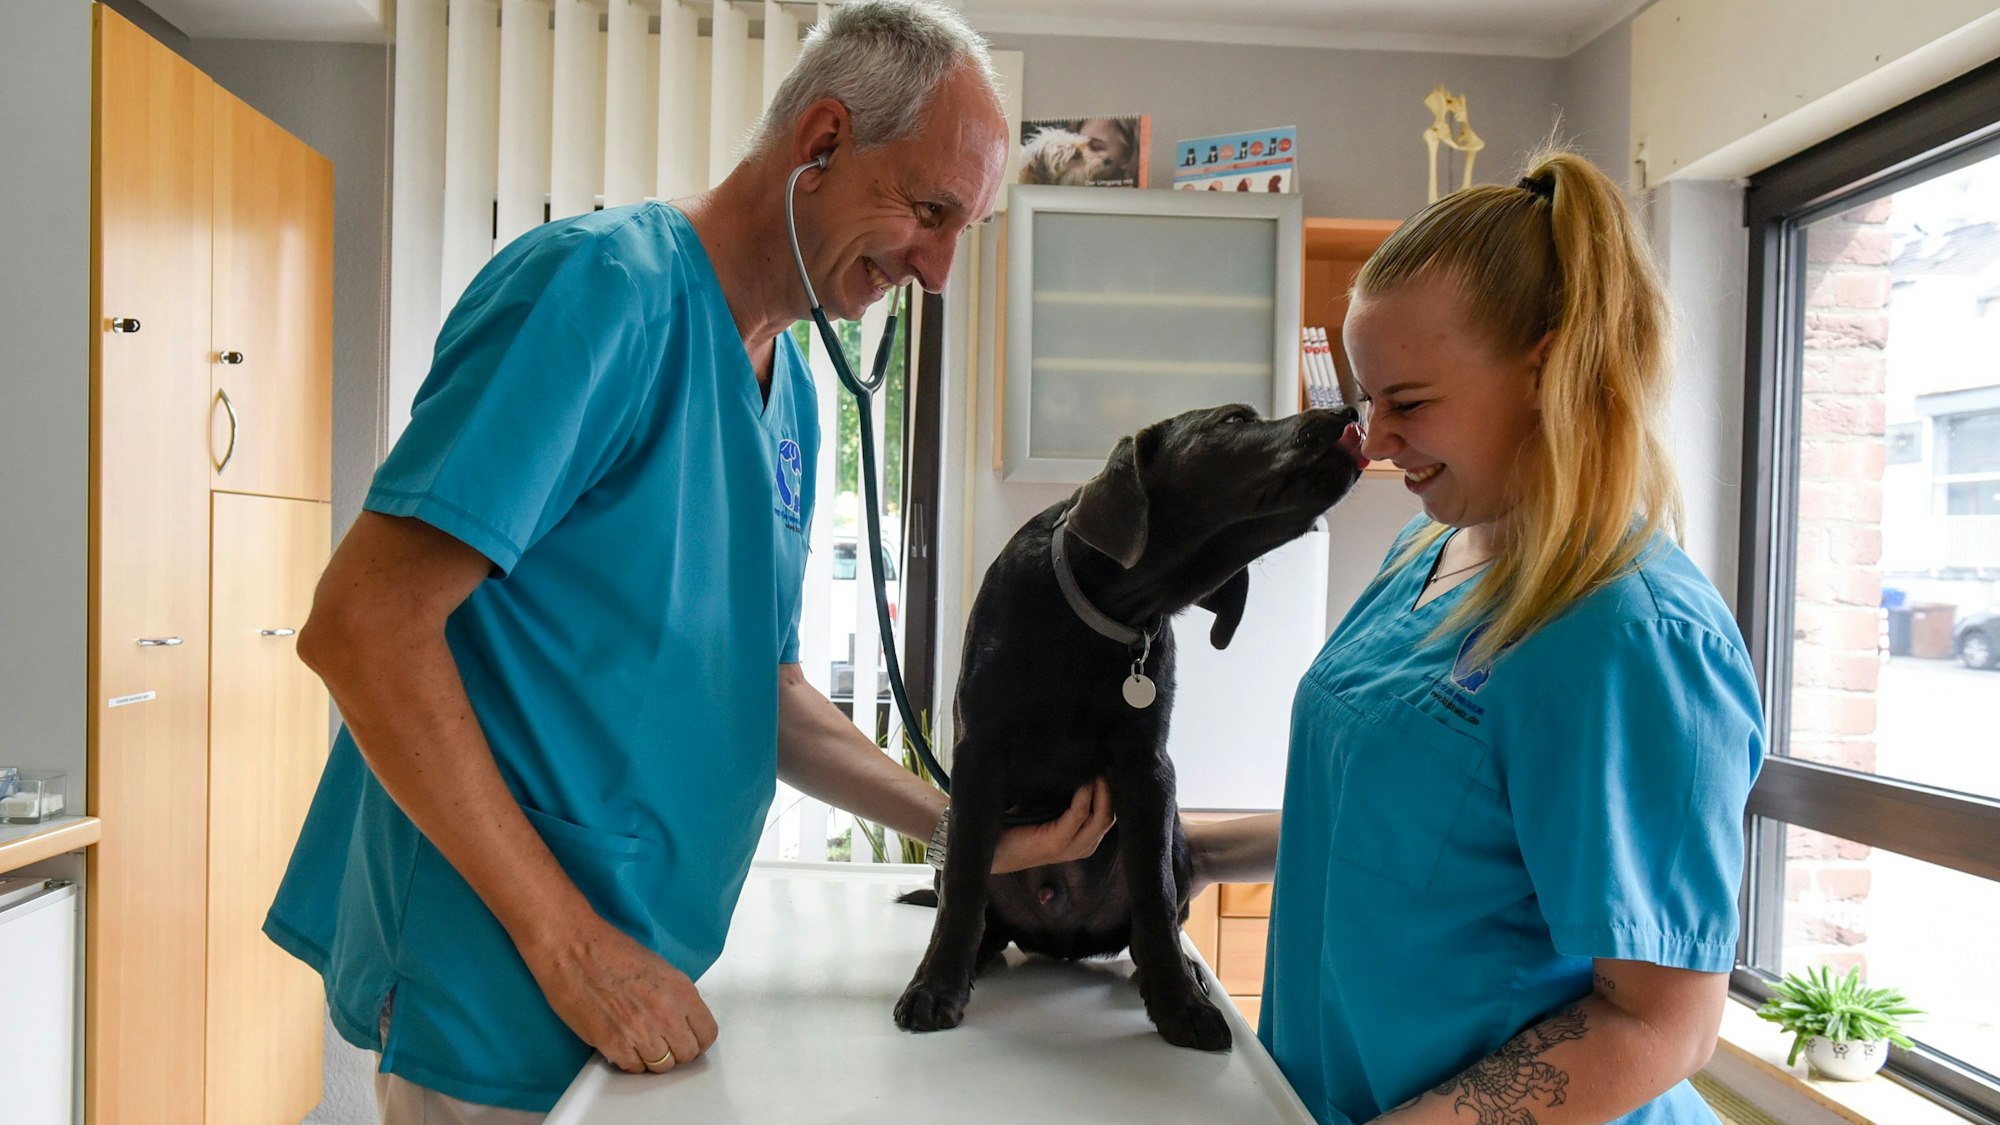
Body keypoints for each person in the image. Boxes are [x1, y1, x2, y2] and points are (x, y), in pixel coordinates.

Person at [263, 3, 1114, 1121]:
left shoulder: (794, 390)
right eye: (930, 211)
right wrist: (570, 947)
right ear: (819, 144)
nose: (941, 272)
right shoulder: (597, 294)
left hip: (646, 975)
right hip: (507, 970)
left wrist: (971, 837)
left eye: (968, 231)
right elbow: (363, 627)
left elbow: (758, 694)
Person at [1186, 150, 1766, 1125]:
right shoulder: (1427, 553)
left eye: (1407, 403)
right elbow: (1399, 832)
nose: (1371, 440)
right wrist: (1193, 849)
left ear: (1544, 369)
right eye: (1368, 401)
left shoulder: (1627, 633)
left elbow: (1661, 1024)